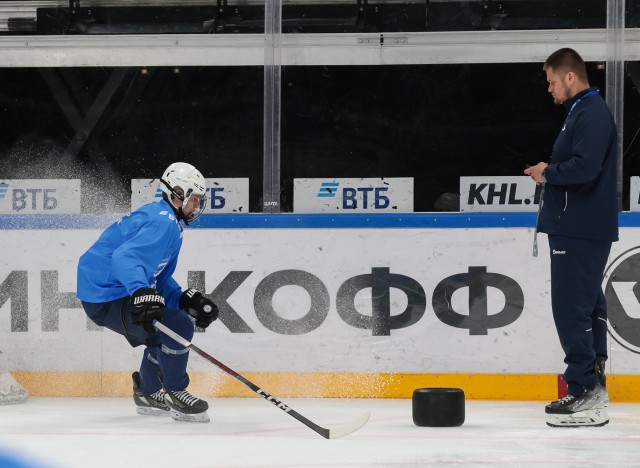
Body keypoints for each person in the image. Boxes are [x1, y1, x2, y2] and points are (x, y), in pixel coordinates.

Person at [77, 162, 219, 423]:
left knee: (167, 324)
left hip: (109, 289)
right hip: (106, 294)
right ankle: (175, 391)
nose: (197, 205)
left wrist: (183, 298)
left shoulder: (168, 221)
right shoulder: (163, 222)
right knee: (176, 326)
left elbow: (155, 275)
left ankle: (148, 391)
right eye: (194, 198)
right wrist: (141, 290)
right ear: (177, 194)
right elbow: (123, 259)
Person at [524, 48, 618, 427]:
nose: (549, 89)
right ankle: (592, 387)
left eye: (550, 81)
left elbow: (585, 167)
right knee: (586, 306)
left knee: (571, 308)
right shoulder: (581, 113)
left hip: (578, 227)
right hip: (580, 225)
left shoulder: (591, 113)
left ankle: (583, 390)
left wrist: (547, 172)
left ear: (568, 77)